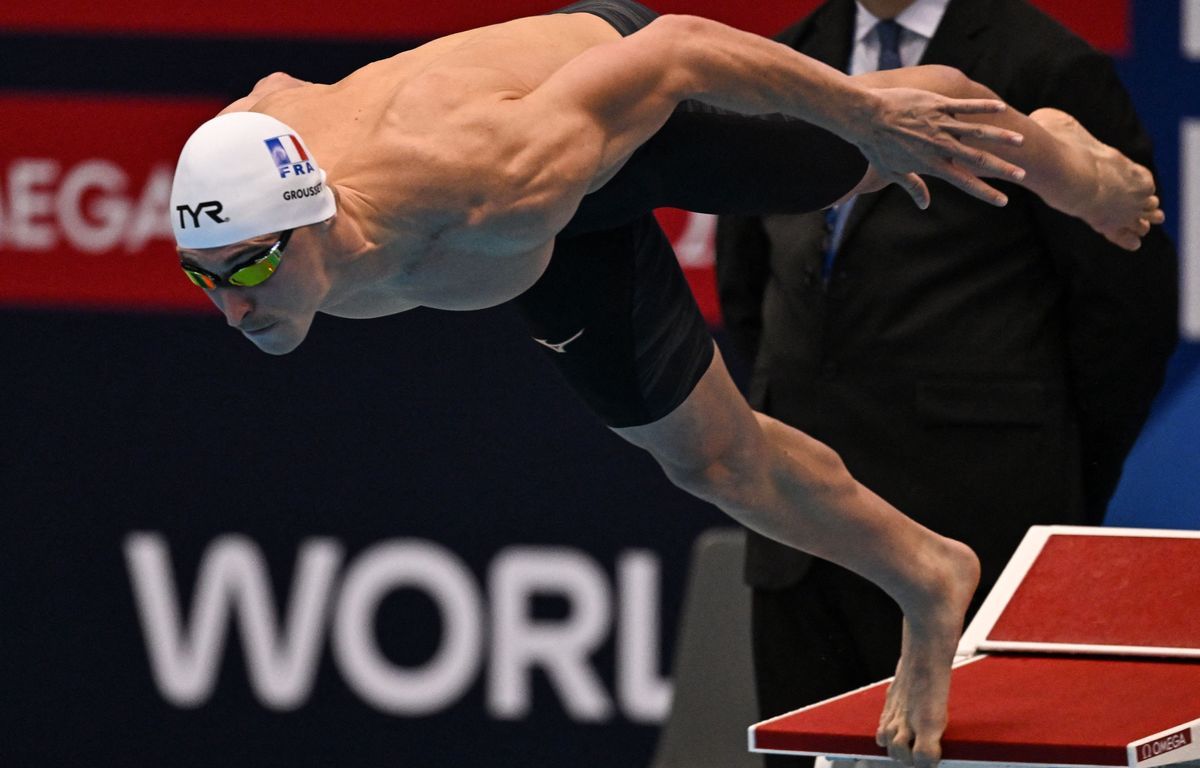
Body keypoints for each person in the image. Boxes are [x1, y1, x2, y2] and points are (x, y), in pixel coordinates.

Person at [168, 2, 1163, 764]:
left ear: (316, 217)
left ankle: (1053, 151)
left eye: (250, 268)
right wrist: (240, 245)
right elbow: (275, 87)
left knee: (881, 142)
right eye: (203, 276)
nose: (230, 307)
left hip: (613, 110)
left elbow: (677, 51)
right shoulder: (256, 181)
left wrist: (860, 108)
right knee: (712, 460)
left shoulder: (484, 172)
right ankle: (925, 571)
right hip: (546, 238)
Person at [714, 2, 1178, 767]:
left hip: (981, 513)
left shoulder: (1044, 61)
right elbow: (749, 287)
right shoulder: (781, 57)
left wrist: (1056, 482)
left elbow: (1124, 318)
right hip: (801, 534)